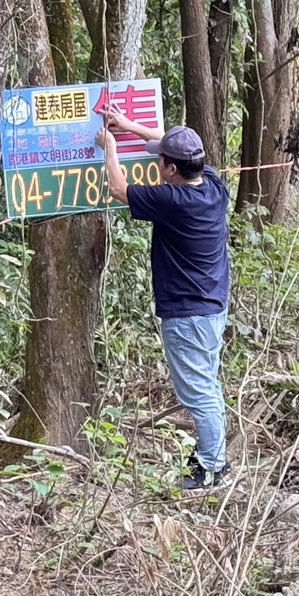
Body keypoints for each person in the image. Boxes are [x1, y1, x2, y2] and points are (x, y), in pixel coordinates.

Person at [96, 110, 231, 490]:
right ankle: (213, 454)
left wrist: (110, 147)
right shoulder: (213, 186)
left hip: (189, 312)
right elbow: (175, 148)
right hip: (211, 304)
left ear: (171, 170)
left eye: (161, 160)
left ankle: (211, 468)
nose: (156, 163)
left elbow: (120, 189)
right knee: (207, 384)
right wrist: (131, 126)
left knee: (199, 390)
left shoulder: (174, 200)